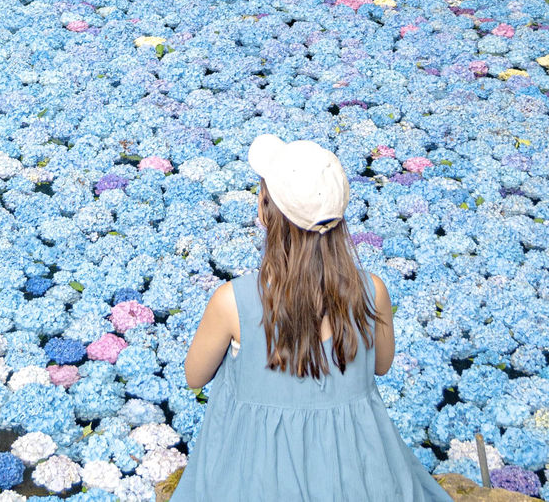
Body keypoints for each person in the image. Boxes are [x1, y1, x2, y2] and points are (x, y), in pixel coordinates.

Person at [170, 134, 454, 502]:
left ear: (265, 211)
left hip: (257, 477)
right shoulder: (373, 291)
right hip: (358, 476)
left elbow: (195, 376)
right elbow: (381, 366)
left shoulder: (233, 302)